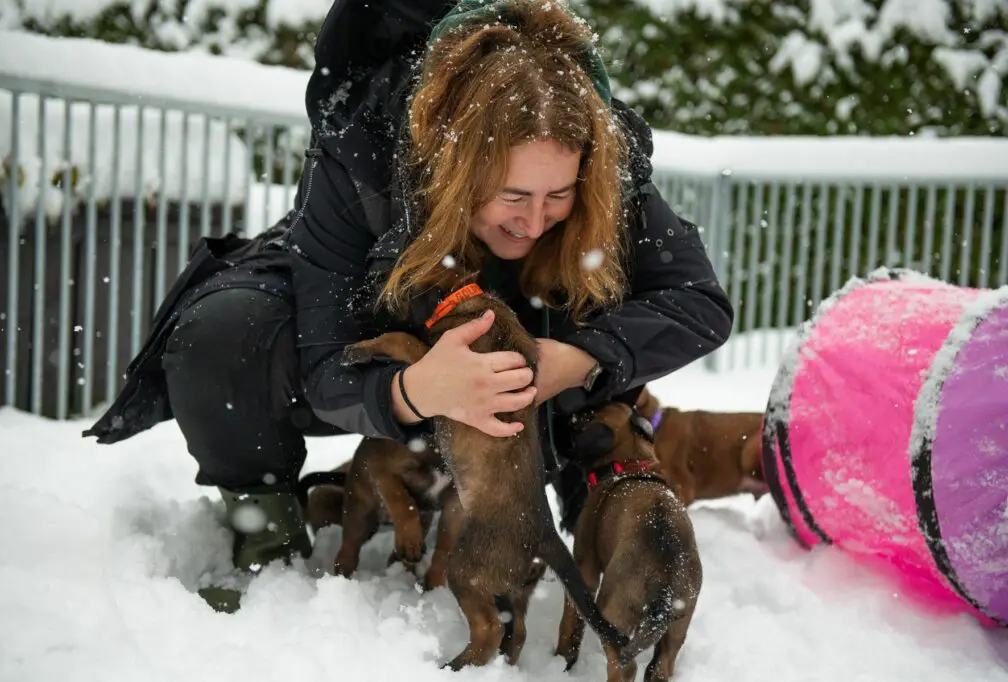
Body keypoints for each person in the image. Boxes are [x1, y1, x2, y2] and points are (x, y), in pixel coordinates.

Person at [84, 0, 733, 611]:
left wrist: (581, 358)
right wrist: (413, 390)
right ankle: (265, 535)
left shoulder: (608, 170)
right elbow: (327, 367)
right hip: (379, 299)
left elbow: (698, 303)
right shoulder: (363, 145)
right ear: (456, 166)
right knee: (225, 338)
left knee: (608, 284)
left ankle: (585, 501)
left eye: (556, 195)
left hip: (516, 335)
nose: (533, 221)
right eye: (510, 194)